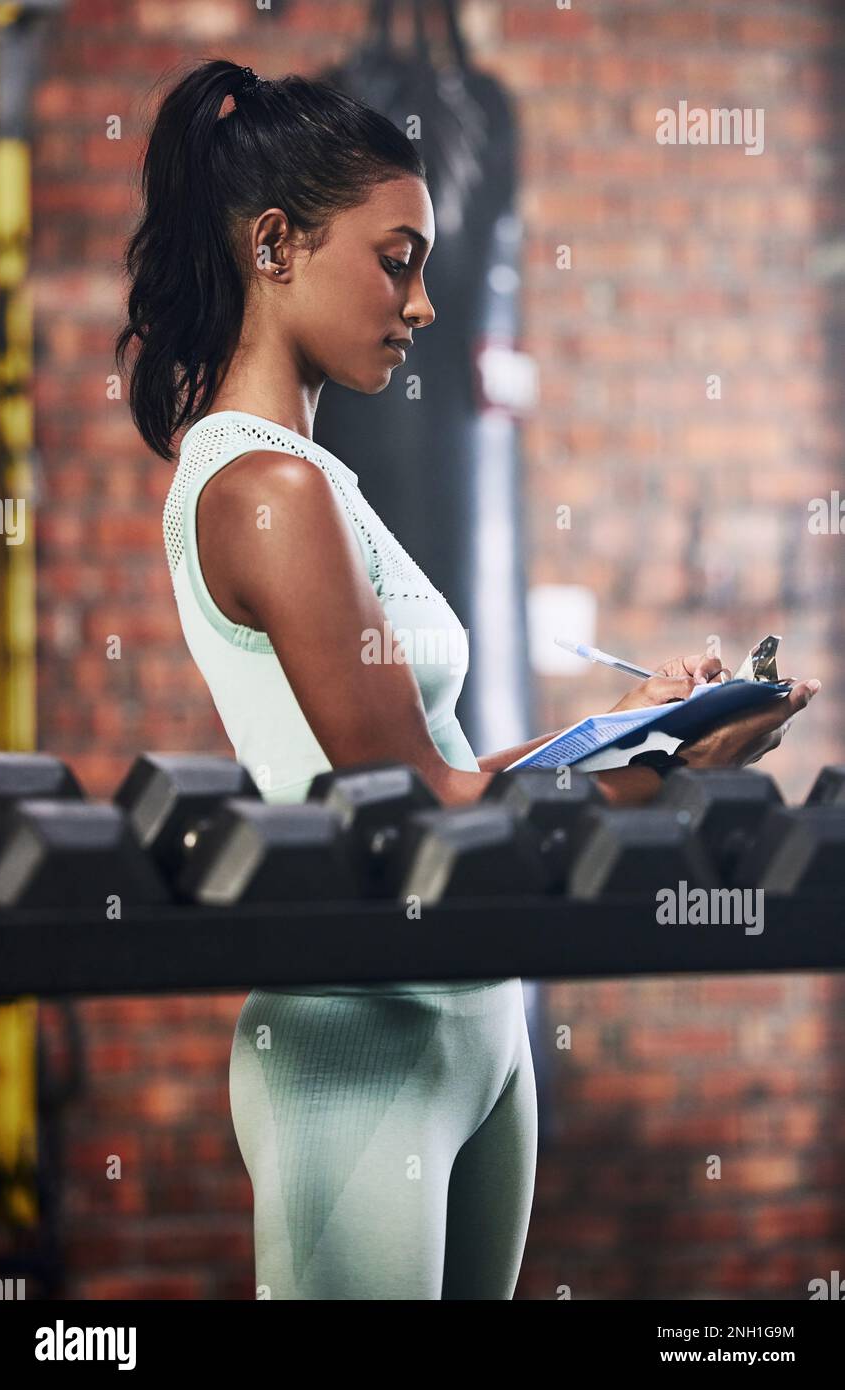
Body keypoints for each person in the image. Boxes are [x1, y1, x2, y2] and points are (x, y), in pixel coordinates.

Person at [115, 59, 820, 1300]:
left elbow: (439, 766)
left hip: (474, 1014)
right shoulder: (263, 492)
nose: (424, 302)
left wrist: (624, 728)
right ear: (275, 245)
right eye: (398, 258)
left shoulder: (316, 480)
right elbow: (421, 819)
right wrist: (664, 767)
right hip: (361, 1047)